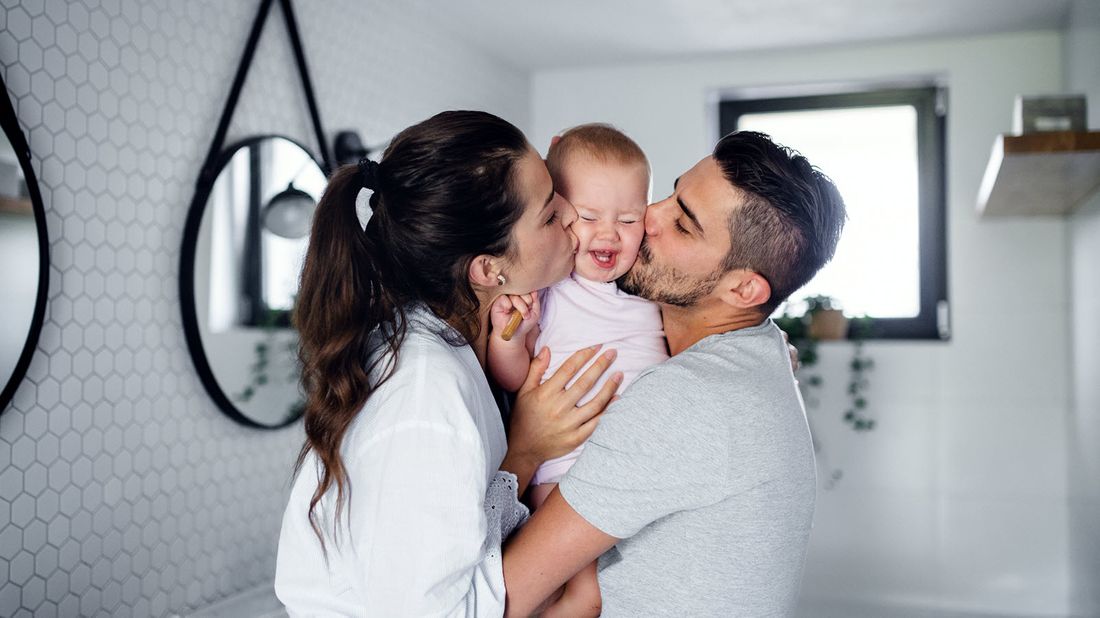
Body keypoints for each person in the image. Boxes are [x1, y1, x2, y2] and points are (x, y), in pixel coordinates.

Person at [274, 110, 623, 616]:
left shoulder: (463, 340)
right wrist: (525, 451)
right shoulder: (424, 396)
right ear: (487, 269)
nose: (574, 213)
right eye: (549, 213)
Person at [502, 130, 847, 617]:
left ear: (744, 290)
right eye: (668, 194)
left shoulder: (685, 400)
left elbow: (498, 598)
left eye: (683, 225)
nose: (648, 217)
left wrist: (524, 450)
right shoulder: (758, 353)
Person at [487, 124, 669, 617]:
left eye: (629, 220)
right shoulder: (549, 285)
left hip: (635, 463)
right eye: (588, 217)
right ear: (559, 213)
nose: (608, 234)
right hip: (564, 462)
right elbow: (513, 375)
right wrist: (509, 336)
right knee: (582, 596)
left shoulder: (649, 284)